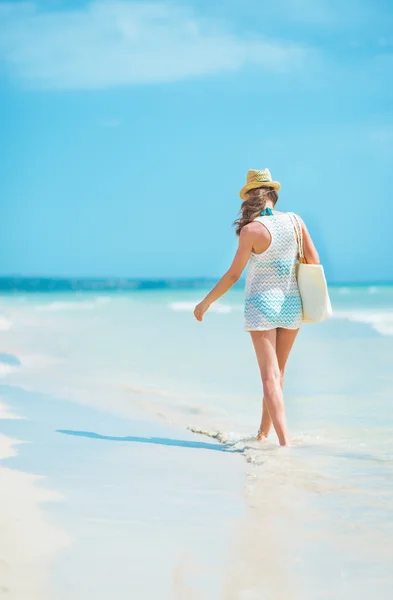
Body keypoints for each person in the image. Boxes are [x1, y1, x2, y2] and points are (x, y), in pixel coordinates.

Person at [193, 169, 320, 446]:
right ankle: (263, 436)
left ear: (251, 197)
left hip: (261, 307)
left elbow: (233, 275)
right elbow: (313, 259)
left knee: (269, 378)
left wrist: (206, 302)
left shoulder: (251, 230)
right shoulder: (296, 222)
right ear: (273, 194)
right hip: (291, 306)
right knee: (278, 375)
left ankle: (285, 444)